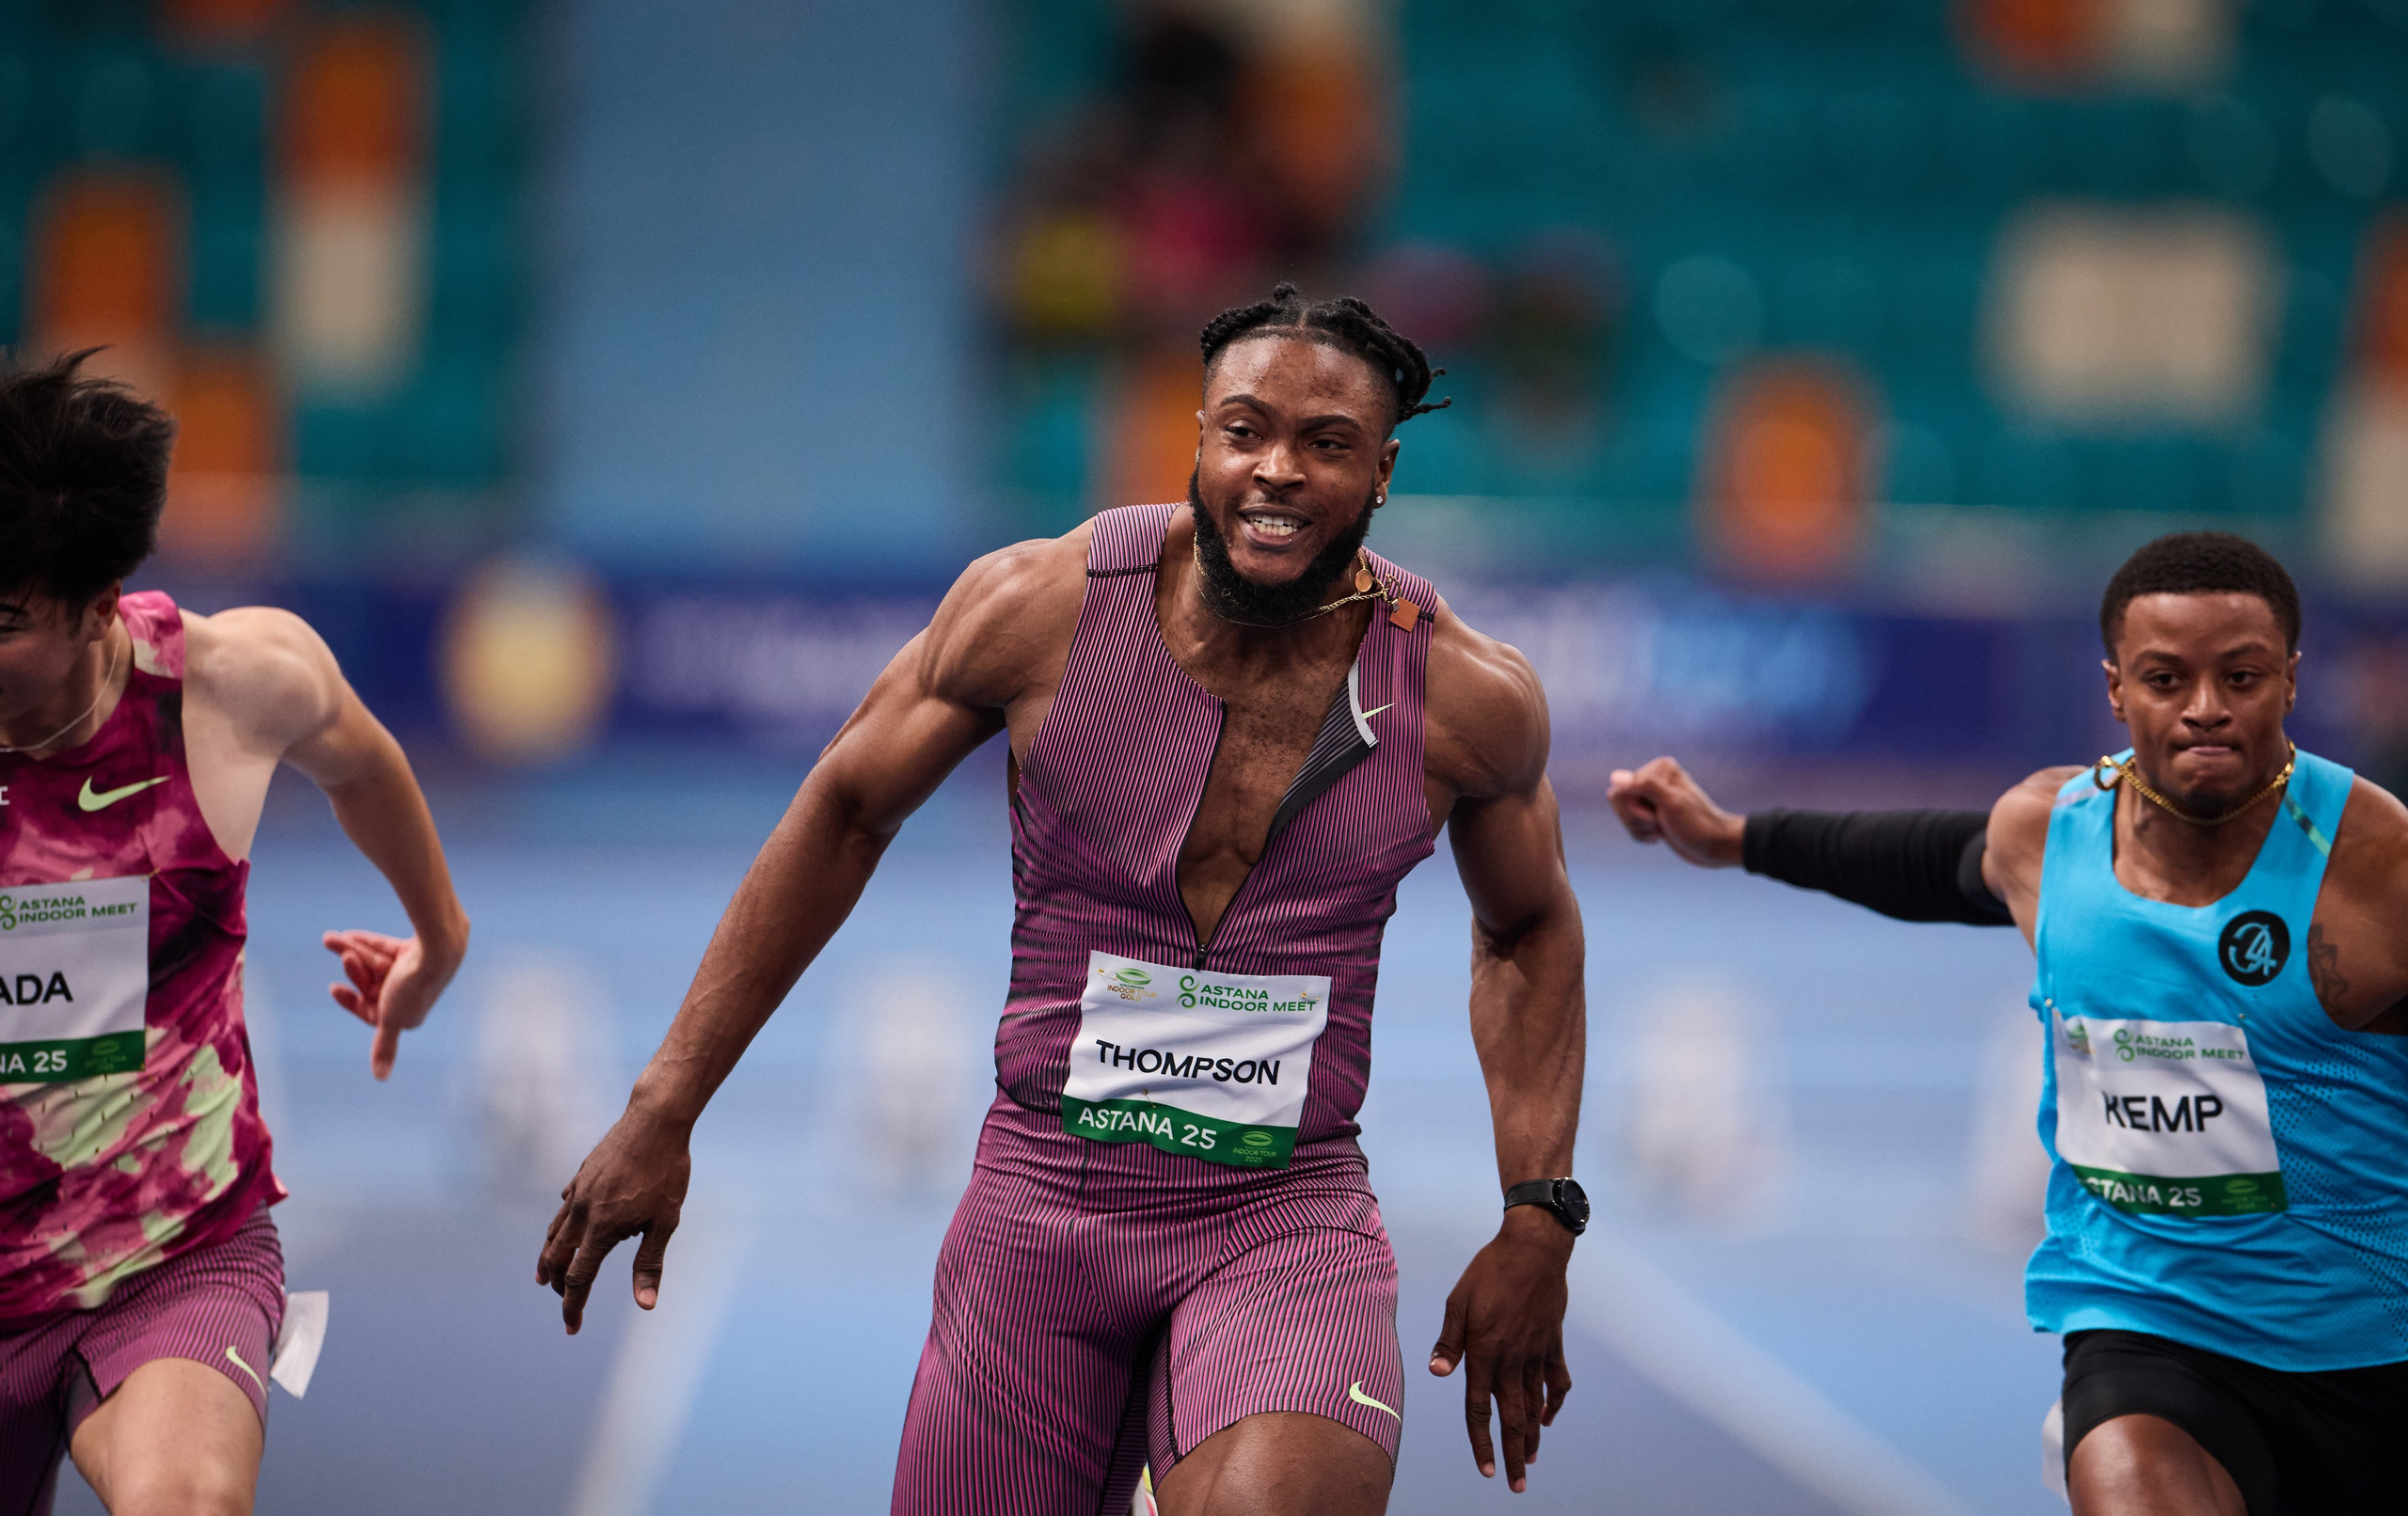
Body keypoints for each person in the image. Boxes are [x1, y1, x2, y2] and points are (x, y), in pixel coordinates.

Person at [539, 283, 1591, 1513]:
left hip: (1282, 1210)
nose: (1277, 470)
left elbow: (1529, 921)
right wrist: (666, 1103)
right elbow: (842, 810)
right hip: (1042, 1205)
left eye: (1328, 443)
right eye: (1245, 429)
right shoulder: (1037, 608)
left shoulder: (1466, 696)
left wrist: (1540, 1210)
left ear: (1384, 472)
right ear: (1195, 434)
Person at [1607, 531, 2408, 1516]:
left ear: (2289, 679)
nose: (2206, 708)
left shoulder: (2377, 873)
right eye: (2166, 678)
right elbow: (1926, 858)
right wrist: (1734, 839)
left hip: (2372, 1349)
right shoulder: (2052, 832)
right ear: (2116, 689)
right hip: (2150, 1330)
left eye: (2240, 677)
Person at [0, 353, 471, 1516]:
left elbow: (365, 765)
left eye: (3, 619)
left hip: (172, 1251)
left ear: (100, 602)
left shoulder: (228, 687)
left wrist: (438, 945)